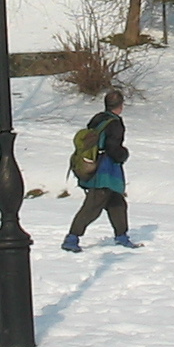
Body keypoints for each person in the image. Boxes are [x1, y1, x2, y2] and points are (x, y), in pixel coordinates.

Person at [62, 89, 140, 251]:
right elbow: (113, 148)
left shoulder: (98, 119)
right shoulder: (115, 124)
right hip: (105, 171)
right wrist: (123, 154)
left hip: (95, 163)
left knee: (117, 203)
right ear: (120, 106)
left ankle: (122, 236)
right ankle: (71, 238)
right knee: (93, 206)